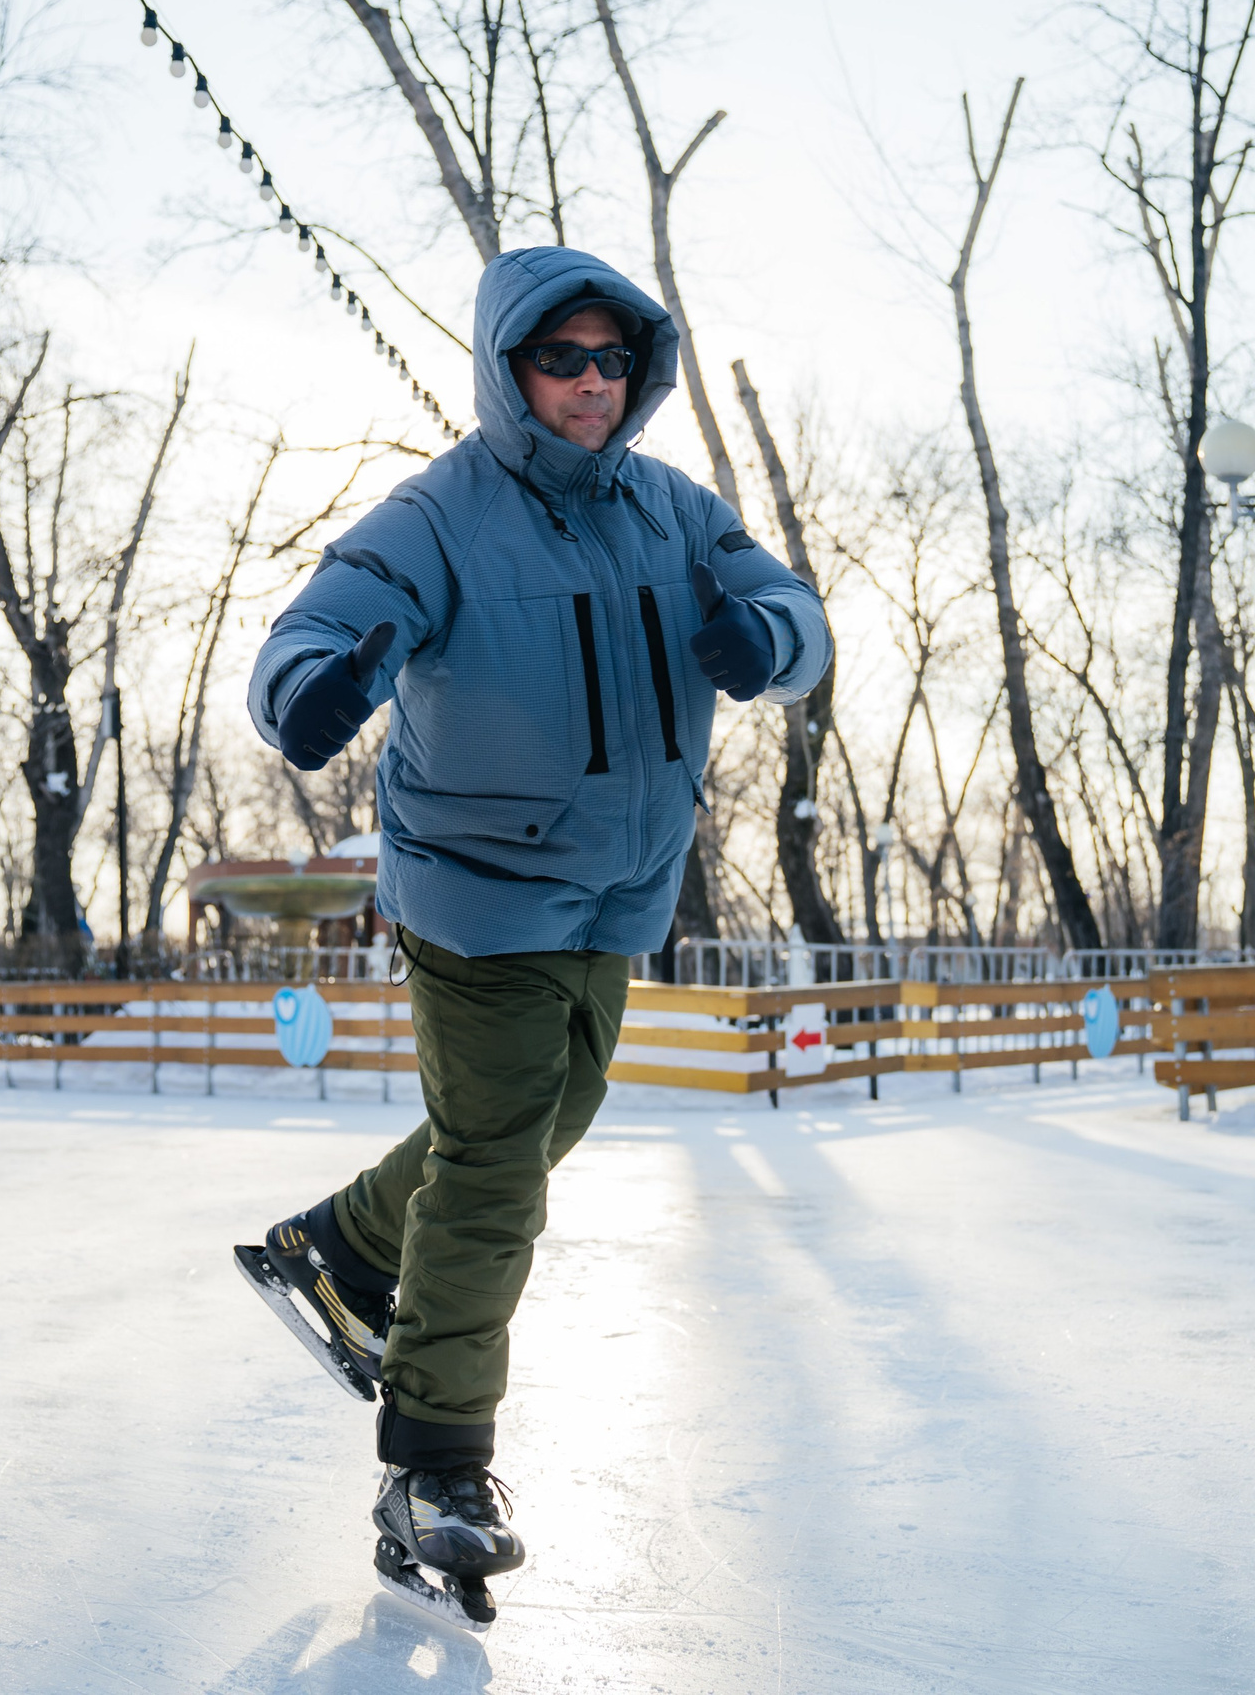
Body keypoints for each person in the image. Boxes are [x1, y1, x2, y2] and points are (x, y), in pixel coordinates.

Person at [238, 246, 831, 1630]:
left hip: (621, 886)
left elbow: (801, 613)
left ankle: (340, 1245)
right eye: (561, 358)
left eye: (612, 360)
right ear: (511, 369)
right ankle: (436, 1462)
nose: (590, 382)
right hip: (473, 884)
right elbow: (317, 624)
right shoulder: (441, 514)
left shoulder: (673, 510)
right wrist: (310, 692)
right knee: (502, 1156)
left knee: (539, 1115)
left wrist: (765, 637)